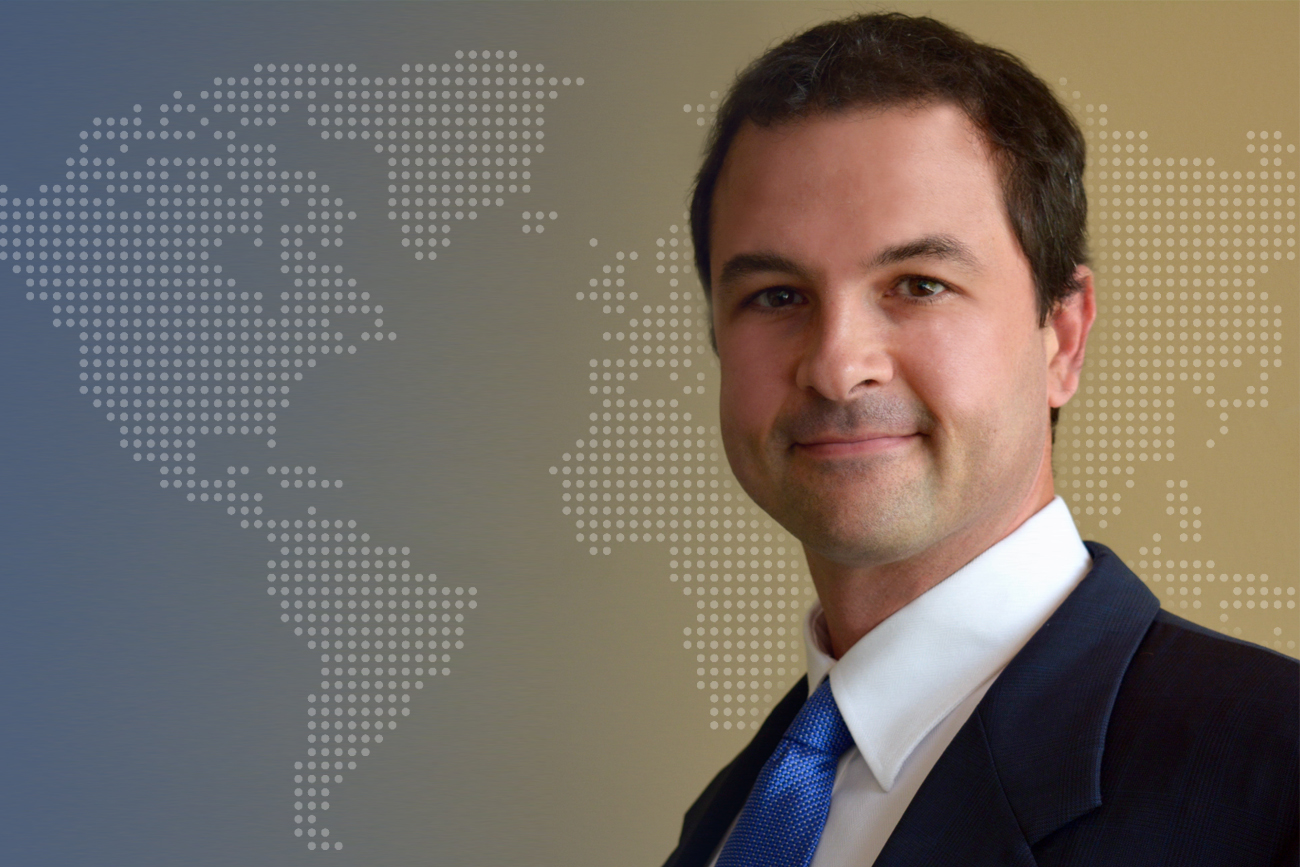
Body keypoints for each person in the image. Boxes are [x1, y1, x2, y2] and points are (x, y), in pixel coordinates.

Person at [662, 12, 1298, 867]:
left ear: (1062, 337)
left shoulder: (1275, 775)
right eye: (776, 295)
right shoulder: (730, 819)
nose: (837, 367)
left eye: (918, 284)